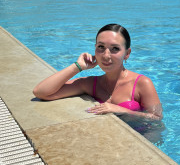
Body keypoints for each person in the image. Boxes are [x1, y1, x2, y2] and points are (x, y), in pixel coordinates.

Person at [33, 23, 162, 120]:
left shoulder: (142, 83)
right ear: (95, 48)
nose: (106, 55)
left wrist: (122, 110)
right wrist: (77, 67)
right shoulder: (91, 84)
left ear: (127, 54)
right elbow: (42, 92)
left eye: (115, 49)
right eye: (101, 47)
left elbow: (157, 118)